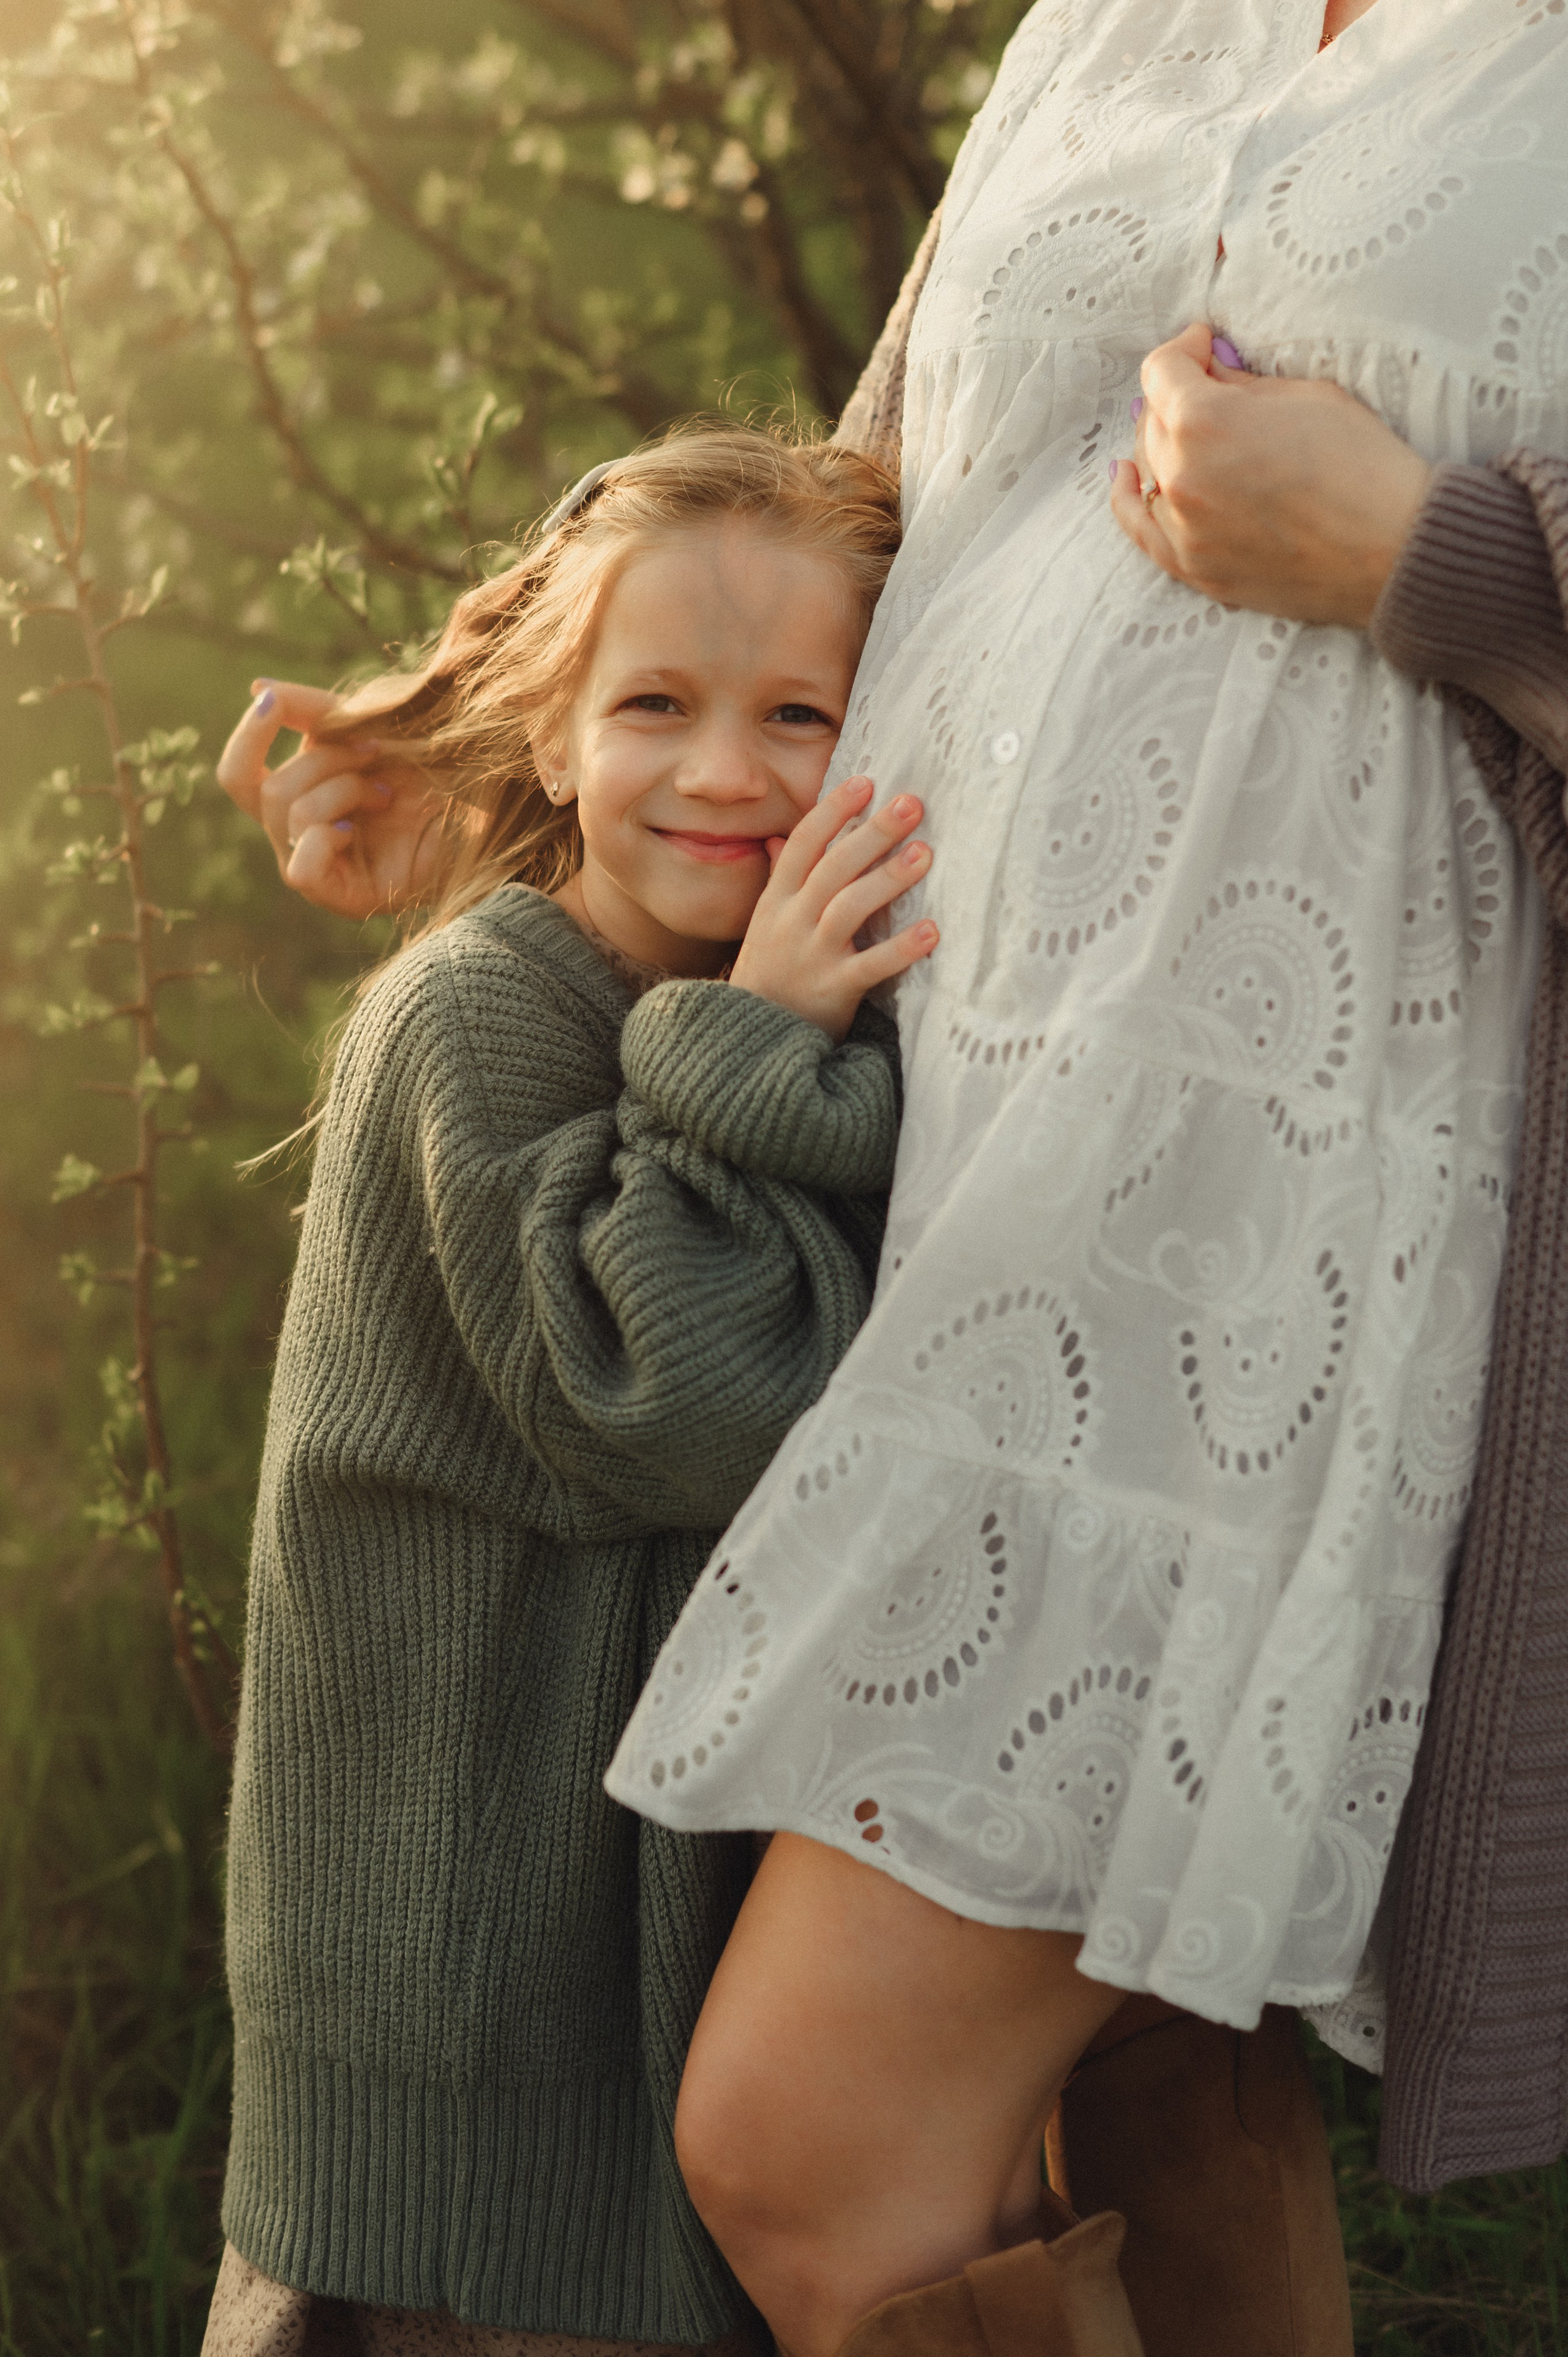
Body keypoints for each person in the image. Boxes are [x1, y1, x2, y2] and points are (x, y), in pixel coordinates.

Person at [589, 4, 1568, 2353]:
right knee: (1111, 2124)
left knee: (809, 2148)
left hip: (1244, 1251)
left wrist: (1425, 556)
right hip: (929, 1165)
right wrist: (480, 776)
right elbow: (856, 525)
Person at [202, 424, 946, 2356]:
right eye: (657, 706)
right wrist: (753, 1041)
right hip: (466, 1966)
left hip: (622, 1931)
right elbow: (665, 1392)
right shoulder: (479, 1013)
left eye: (800, 712)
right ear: (553, 741)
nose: (726, 772)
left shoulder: (749, 1010)